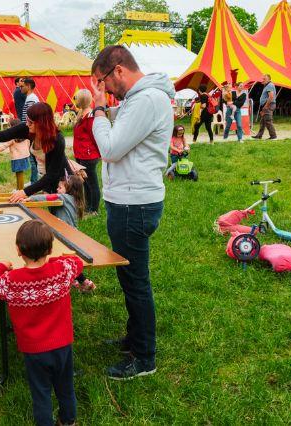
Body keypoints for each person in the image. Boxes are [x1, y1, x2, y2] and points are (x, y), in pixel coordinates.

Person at [90, 45, 174, 379]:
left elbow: (109, 149)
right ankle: (135, 337)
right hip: (129, 201)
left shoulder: (145, 100)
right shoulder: (138, 100)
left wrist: (98, 112)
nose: (104, 90)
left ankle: (144, 357)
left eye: (103, 81)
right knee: (130, 277)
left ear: (119, 70)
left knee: (136, 281)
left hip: (133, 204)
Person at [0, 220, 83, 426]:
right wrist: (52, 260)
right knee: (65, 386)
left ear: (18, 250)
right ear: (50, 248)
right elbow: (77, 263)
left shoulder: (12, 280)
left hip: (34, 350)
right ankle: (69, 421)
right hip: (63, 345)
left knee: (41, 392)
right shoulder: (62, 270)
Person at [0, 102, 72, 203]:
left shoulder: (57, 140)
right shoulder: (28, 129)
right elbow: (2, 135)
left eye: (30, 122)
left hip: (61, 182)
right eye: (27, 120)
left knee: (59, 215)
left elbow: (52, 175)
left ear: (41, 123)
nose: (27, 124)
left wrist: (25, 192)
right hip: (45, 178)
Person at [72, 89, 101, 215]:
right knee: (86, 183)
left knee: (92, 183)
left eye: (76, 98)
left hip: (88, 155)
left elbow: (94, 136)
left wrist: (98, 152)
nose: (75, 100)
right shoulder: (81, 114)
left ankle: (94, 209)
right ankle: (88, 206)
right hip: (81, 154)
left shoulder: (89, 117)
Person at [0, 118, 31, 189]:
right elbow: (28, 144)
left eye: (9, 126)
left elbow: (4, 146)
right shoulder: (25, 136)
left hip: (17, 158)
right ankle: (19, 188)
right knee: (20, 174)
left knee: (19, 174)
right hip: (25, 156)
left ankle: (20, 189)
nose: (8, 128)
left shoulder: (12, 138)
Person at [22, 78, 41, 183]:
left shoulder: (31, 99)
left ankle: (35, 181)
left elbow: (30, 117)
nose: (21, 88)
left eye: (22, 86)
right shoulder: (31, 98)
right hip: (32, 131)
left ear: (28, 86)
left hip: (32, 131)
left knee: (33, 159)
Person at [253, 74, 277, 140]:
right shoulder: (267, 86)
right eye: (262, 78)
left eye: (264, 79)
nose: (263, 80)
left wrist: (266, 106)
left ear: (269, 79)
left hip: (269, 104)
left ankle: (273, 136)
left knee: (268, 121)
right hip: (266, 105)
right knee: (262, 121)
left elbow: (271, 97)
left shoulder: (270, 85)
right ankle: (259, 135)